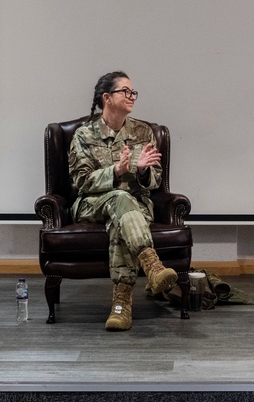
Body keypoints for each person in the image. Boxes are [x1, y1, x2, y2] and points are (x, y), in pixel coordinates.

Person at [69, 71, 179, 331]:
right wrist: (116, 172)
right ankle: (151, 264)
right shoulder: (84, 135)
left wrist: (141, 170)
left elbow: (155, 181)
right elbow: (81, 182)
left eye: (133, 92)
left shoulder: (143, 132)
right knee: (119, 197)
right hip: (92, 204)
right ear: (107, 98)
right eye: (125, 91)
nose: (132, 97)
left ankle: (121, 306)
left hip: (136, 207)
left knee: (121, 217)